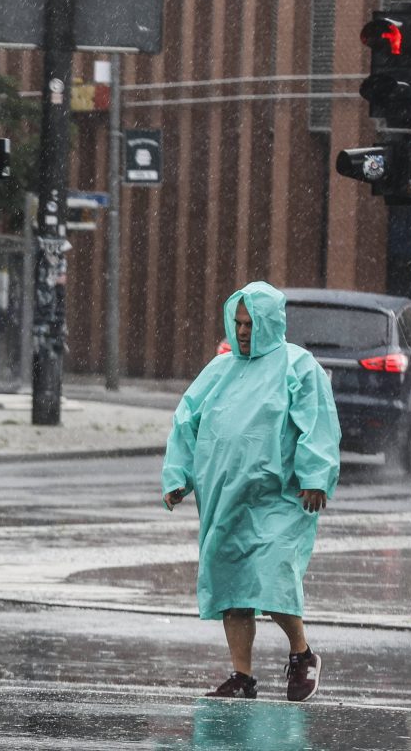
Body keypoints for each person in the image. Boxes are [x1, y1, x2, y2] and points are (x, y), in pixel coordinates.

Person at [161, 282, 340, 702]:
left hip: (278, 498)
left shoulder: (298, 366)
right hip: (226, 498)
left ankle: (302, 655)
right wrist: (177, 477)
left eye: (251, 322)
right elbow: (186, 420)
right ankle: (242, 677)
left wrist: (315, 476)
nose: (243, 331)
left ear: (271, 322)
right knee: (231, 586)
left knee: (271, 574)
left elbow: (318, 422)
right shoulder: (219, 371)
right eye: (238, 322)